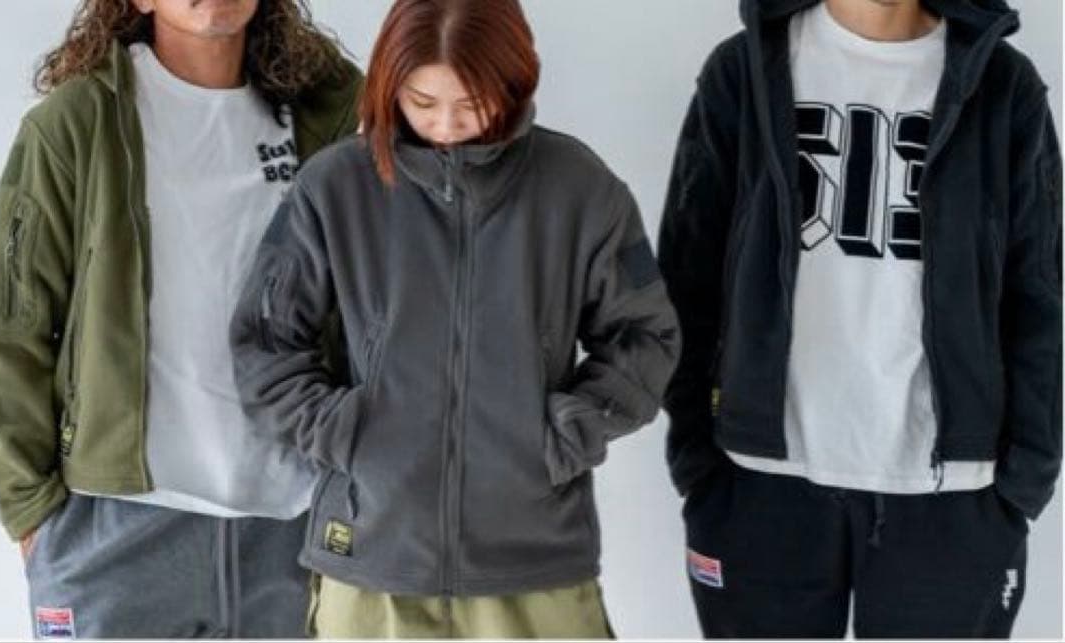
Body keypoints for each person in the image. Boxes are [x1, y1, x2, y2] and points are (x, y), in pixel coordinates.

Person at [229, 0, 680, 637]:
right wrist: (343, 431)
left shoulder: (579, 188)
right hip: (372, 558)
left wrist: (567, 432)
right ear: (390, 85)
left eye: (472, 103)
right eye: (423, 101)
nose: (446, 125)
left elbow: (646, 335)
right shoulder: (334, 188)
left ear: (514, 80)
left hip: (535, 564)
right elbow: (264, 341)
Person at [660, 0, 1061, 638]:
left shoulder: (1003, 84)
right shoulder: (745, 70)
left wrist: (1025, 480)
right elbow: (688, 272)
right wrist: (695, 453)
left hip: (954, 495)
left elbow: (1039, 290)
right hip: (758, 479)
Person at [0, 0, 362, 637]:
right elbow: (8, 326)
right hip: (114, 531)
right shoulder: (78, 124)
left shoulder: (327, 121)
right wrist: (33, 512)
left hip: (289, 528)